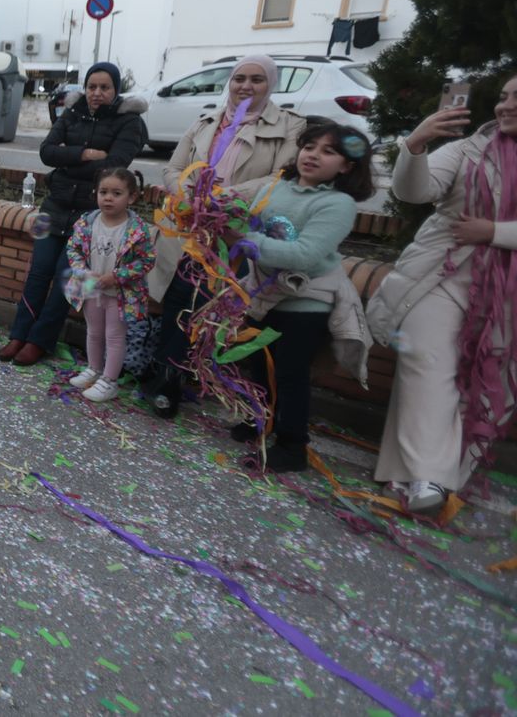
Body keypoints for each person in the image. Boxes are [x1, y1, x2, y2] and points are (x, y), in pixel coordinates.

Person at [369, 75, 517, 510]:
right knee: (426, 362)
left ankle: (414, 476)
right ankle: (429, 478)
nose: (504, 107)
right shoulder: (470, 147)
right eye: (504, 97)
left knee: (487, 380)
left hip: (506, 295)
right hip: (441, 275)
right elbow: (416, 191)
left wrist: (493, 232)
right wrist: (415, 146)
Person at [145, 55, 304, 417]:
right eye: (239, 79)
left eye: (257, 80)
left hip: (233, 237)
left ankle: (169, 378)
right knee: (176, 298)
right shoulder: (206, 122)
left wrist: (222, 199)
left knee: (202, 306)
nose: (246, 86)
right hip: (188, 230)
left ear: (271, 84)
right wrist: (189, 195)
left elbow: (283, 177)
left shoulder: (290, 126)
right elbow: (173, 168)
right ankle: (162, 371)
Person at [216, 123, 376, 473]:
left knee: (290, 373)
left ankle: (292, 445)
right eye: (309, 146)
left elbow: (305, 254)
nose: (313, 154)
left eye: (328, 151)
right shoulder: (275, 188)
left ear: (347, 166)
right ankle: (260, 420)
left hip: (305, 301)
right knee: (258, 363)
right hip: (264, 295)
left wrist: (245, 241)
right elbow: (248, 224)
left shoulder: (338, 204)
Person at [0, 62, 148, 366]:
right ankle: (19, 333)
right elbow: (47, 151)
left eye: (104, 88)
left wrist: (68, 157)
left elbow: (114, 167)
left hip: (90, 215)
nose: (96, 93)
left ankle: (40, 340)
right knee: (38, 273)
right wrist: (85, 153)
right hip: (55, 206)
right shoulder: (72, 112)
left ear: (115, 90)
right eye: (92, 86)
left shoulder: (129, 122)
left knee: (67, 279)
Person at [64, 168, 155, 402]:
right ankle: (94, 369)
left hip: (120, 294)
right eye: (103, 192)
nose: (108, 198)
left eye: (116, 193)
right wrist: (82, 271)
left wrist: (117, 276)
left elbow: (146, 260)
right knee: (94, 332)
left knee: (114, 337)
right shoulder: (87, 222)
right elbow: (73, 248)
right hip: (92, 290)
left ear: (131, 197)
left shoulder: (137, 229)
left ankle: (109, 381)